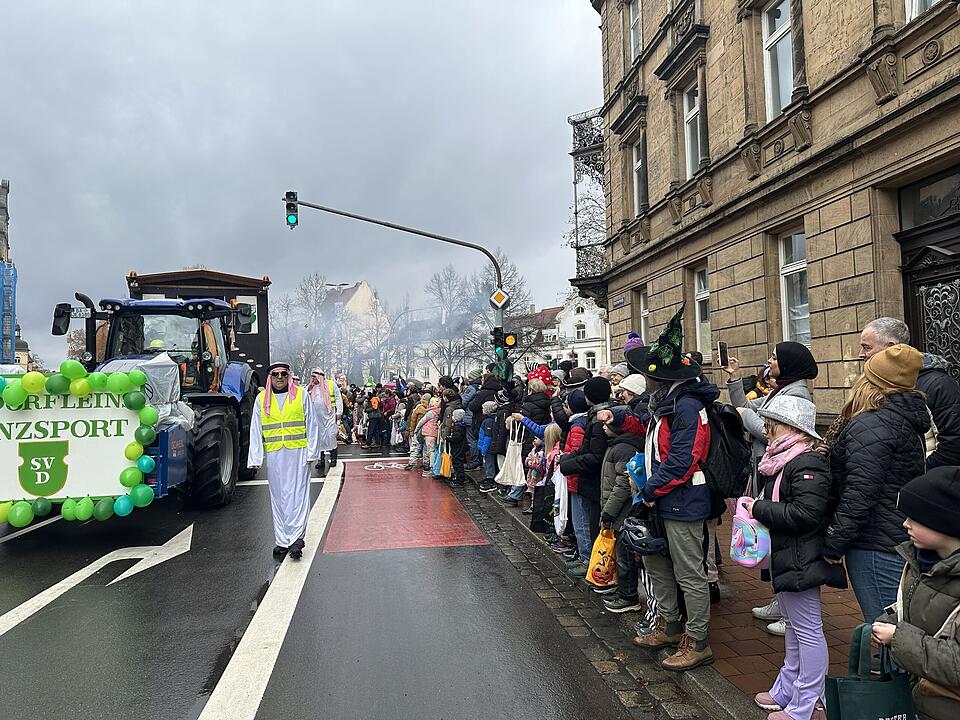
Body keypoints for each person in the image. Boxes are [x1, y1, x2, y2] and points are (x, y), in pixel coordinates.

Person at [599, 306, 718, 670]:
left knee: (688, 572)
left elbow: (682, 461)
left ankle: (697, 641)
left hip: (682, 500)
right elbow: (648, 439)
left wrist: (649, 491)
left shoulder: (687, 407)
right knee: (657, 563)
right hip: (659, 499)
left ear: (659, 378)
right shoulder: (665, 403)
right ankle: (668, 625)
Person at [745, 395, 846, 720]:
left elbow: (807, 513)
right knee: (794, 627)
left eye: (770, 424)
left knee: (807, 630)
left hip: (801, 555)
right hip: (790, 554)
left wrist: (758, 508)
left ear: (788, 427)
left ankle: (806, 705)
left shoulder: (805, 462)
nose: (765, 429)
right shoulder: (788, 460)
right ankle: (787, 690)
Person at [821, 344, 930, 623]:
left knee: (886, 629)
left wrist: (834, 541)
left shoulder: (873, 423)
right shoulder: (901, 418)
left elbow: (860, 491)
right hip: (893, 535)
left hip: (874, 544)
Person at [724, 341, 819, 633]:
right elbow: (752, 408)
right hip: (767, 467)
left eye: (775, 357)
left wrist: (746, 417)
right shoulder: (780, 388)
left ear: (789, 363)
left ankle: (789, 611)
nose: (769, 360)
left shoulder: (797, 392)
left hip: (779, 469)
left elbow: (769, 429)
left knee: (782, 539)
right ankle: (780, 600)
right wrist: (733, 378)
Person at [873, 466, 960, 720]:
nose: (905, 524)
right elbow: (916, 607)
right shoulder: (920, 560)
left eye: (915, 517)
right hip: (919, 702)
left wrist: (898, 637)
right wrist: (890, 619)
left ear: (945, 523)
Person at [859, 316, 960, 469]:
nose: (861, 354)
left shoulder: (940, 385)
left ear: (891, 347)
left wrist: (913, 478)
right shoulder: (876, 383)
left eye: (867, 347)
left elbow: (952, 445)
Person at [247, 362, 320, 560]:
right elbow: (255, 428)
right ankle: (282, 540)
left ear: (288, 376)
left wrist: (312, 453)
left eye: (283, 374)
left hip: (298, 454)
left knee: (297, 496)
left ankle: (296, 539)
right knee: (278, 498)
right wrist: (255, 457)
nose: (280, 377)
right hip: (275, 455)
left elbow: (311, 424)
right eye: (275, 374)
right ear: (270, 378)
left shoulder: (301, 395)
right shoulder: (261, 399)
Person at [559, 376, 613, 579]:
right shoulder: (593, 417)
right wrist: (568, 459)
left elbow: (594, 455)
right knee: (585, 521)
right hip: (586, 477)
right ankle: (585, 556)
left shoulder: (598, 421)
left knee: (586, 522)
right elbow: (583, 449)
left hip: (589, 479)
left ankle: (588, 559)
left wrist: (567, 464)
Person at [597, 418, 647, 614]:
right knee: (620, 556)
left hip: (622, 512)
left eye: (607, 424)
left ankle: (629, 597)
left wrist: (608, 512)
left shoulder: (624, 449)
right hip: (616, 509)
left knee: (625, 557)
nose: (603, 427)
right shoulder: (616, 446)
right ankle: (622, 591)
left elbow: (623, 486)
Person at [308, 369, 342, 470]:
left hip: (330, 416)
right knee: (319, 439)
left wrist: (339, 412)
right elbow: (304, 398)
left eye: (314, 376)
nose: (313, 378)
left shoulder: (331, 384)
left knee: (331, 436)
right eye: (312, 376)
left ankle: (333, 458)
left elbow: (338, 397)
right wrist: (309, 388)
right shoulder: (311, 386)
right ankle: (320, 460)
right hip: (317, 418)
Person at [404, 393, 431, 471]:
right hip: (427, 431)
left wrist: (412, 431)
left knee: (415, 447)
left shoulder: (418, 408)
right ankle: (426, 463)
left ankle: (412, 463)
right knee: (426, 448)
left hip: (418, 430)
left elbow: (413, 420)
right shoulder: (430, 409)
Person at [478, 401, 499, 493]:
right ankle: (488, 477)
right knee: (487, 463)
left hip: (488, 447)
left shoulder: (488, 422)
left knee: (489, 463)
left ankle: (490, 478)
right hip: (486, 446)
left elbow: (487, 437)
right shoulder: (490, 420)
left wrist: (483, 449)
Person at [447, 408, 468, 487]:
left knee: (457, 463)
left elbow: (456, 438)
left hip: (457, 448)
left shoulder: (458, 427)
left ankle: (460, 480)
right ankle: (459, 478)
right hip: (460, 447)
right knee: (458, 462)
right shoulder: (461, 425)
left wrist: (449, 438)